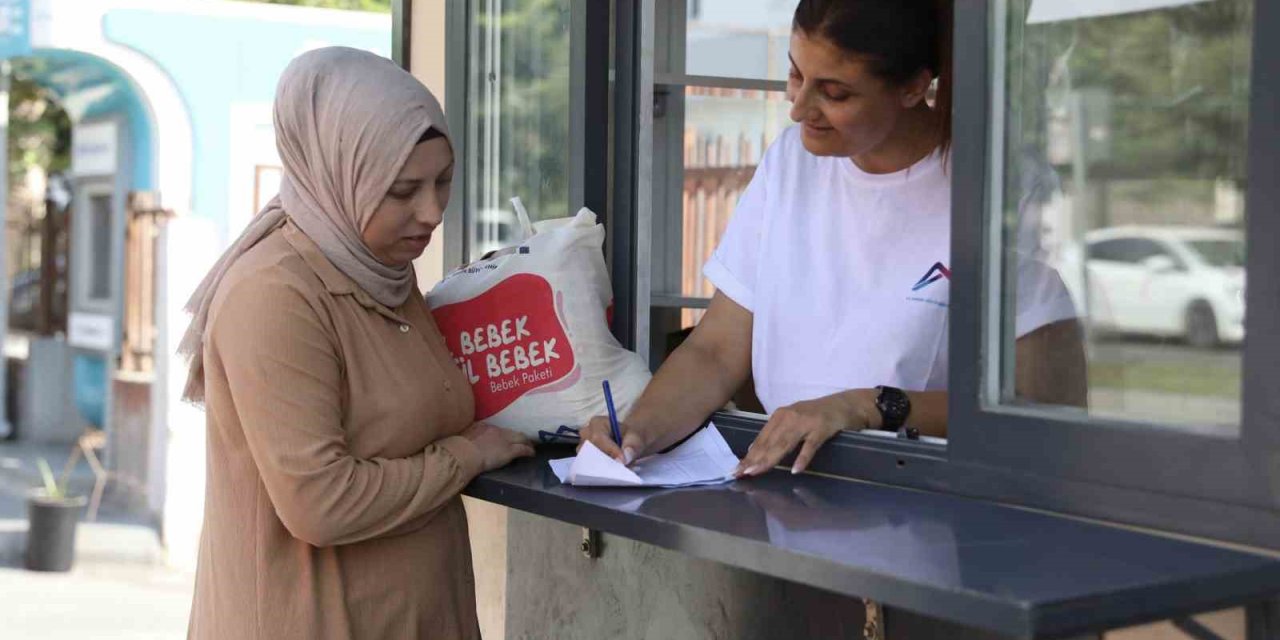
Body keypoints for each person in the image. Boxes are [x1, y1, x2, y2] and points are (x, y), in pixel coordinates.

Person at [581, 0, 1086, 476]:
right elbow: (715, 350)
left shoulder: (999, 183)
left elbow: (1039, 403)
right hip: (788, 492)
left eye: (834, 92)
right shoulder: (790, 163)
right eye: (796, 74)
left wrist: (864, 407)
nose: (799, 109)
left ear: (913, 87)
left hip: (930, 500)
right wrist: (637, 432)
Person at [180, 47, 533, 640]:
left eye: (443, 182)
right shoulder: (275, 295)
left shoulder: (384, 276)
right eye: (402, 191)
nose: (431, 213)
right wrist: (467, 457)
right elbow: (321, 502)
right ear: (338, 176)